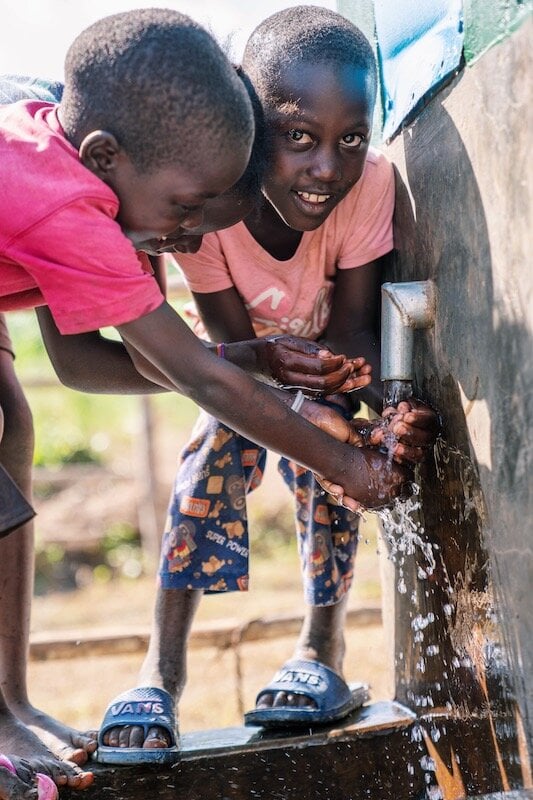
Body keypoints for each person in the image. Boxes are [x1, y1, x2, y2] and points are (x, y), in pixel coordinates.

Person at [0, 6, 410, 785]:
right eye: (185, 212)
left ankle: (9, 706)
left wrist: (251, 362)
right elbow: (191, 373)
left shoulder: (106, 185)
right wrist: (348, 467)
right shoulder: (72, 207)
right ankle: (66, 703)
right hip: (225, 379)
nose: (187, 239)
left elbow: (81, 361)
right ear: (107, 156)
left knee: (7, 423)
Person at [96, 6, 439, 763]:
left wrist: (382, 404)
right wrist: (297, 397)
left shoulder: (367, 188)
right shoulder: (207, 209)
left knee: (332, 453)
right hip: (238, 369)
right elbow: (222, 351)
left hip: (321, 367)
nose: (327, 167)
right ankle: (163, 669)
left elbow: (352, 328)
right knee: (211, 457)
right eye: (298, 138)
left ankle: (321, 650)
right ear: (250, 124)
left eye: (351, 137)